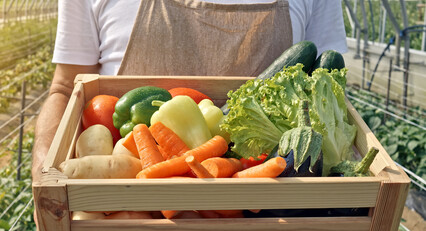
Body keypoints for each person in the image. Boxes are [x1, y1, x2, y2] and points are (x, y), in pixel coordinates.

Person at [32, 0, 347, 182]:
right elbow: (63, 88)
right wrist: (43, 167)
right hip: (126, 197)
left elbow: (328, 90)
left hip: (268, 204)